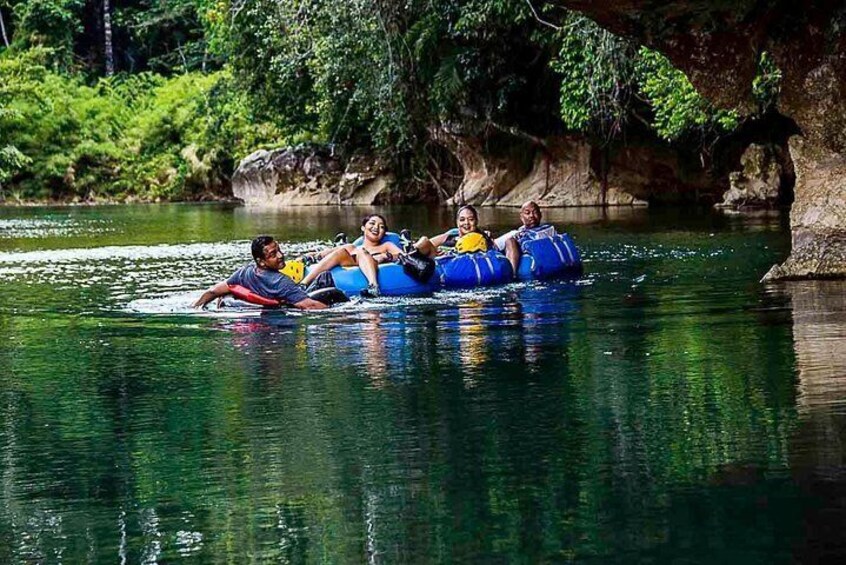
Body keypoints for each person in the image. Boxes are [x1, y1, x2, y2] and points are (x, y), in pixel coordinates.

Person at [193, 235, 329, 310]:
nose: (281, 255)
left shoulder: (245, 272)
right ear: (262, 261)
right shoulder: (281, 282)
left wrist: (195, 307)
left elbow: (213, 291)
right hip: (290, 302)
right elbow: (309, 306)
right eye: (273, 254)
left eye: (279, 250)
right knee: (325, 277)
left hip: (269, 300)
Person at [299, 213, 403, 297]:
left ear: (384, 233)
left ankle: (374, 287)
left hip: (373, 265)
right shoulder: (351, 247)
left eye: (381, 227)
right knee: (342, 251)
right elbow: (322, 254)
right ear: (363, 228)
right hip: (350, 265)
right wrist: (306, 257)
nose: (376, 227)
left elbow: (403, 256)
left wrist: (386, 256)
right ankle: (303, 285)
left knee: (362, 251)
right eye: (372, 223)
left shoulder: (386, 246)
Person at [494, 200, 556, 273]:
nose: (531, 216)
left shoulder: (549, 230)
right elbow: (493, 245)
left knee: (510, 241)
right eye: (527, 213)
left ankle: (512, 275)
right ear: (521, 217)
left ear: (540, 215)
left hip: (538, 262)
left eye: (535, 212)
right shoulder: (517, 233)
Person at [414, 205, 495, 258]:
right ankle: (408, 254)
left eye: (471, 219)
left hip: (452, 269)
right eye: (462, 220)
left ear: (476, 221)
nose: (466, 223)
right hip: (437, 260)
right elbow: (429, 243)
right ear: (457, 222)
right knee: (424, 240)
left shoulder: (483, 239)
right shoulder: (449, 236)